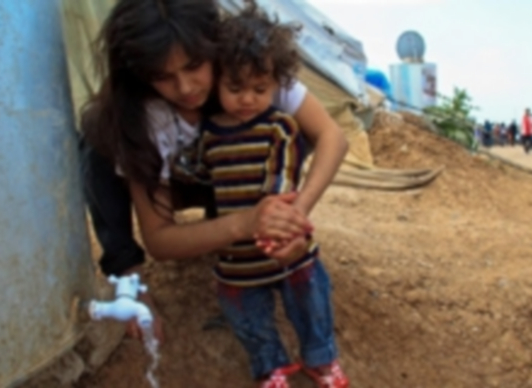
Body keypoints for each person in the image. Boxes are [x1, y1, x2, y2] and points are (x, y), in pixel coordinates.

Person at [81, 0, 347, 367]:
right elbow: (159, 237)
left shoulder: (250, 67)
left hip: (229, 177)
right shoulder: (144, 116)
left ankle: (257, 225)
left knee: (290, 131)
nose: (186, 87)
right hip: (172, 181)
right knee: (95, 140)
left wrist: (294, 215)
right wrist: (243, 223)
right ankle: (129, 280)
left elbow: (332, 136)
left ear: (213, 44)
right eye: (162, 75)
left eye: (194, 65)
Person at [191, 5, 349, 387]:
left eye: (260, 90)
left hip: (285, 240)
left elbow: (288, 171)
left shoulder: (280, 126)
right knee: (245, 310)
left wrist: (293, 219)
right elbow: (198, 175)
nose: (247, 99)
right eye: (235, 88)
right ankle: (270, 366)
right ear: (216, 80)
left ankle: (320, 358)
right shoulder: (208, 134)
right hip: (237, 254)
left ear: (276, 82)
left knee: (308, 293)